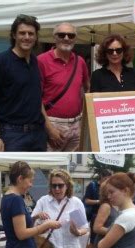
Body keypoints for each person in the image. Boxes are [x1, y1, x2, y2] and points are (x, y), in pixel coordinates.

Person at [0, 14, 47, 151]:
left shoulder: (35, 61)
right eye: (22, 33)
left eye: (31, 33)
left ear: (36, 37)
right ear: (14, 35)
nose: (27, 37)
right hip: (12, 134)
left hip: (38, 133)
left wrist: (48, 127)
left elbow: (36, 97)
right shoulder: (0, 61)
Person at [37, 22, 90, 151]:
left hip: (77, 124)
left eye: (71, 35)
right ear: (54, 37)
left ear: (75, 39)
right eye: (62, 35)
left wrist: (82, 119)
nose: (66, 38)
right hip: (53, 124)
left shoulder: (80, 61)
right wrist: (49, 128)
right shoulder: (41, 60)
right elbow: (35, 97)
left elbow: (87, 87)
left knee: (70, 158)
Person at [1, 161, 61, 248]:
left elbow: (18, 226)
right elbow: (22, 234)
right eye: (30, 181)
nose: (31, 185)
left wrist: (35, 217)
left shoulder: (6, 197)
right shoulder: (16, 199)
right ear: (20, 179)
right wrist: (47, 225)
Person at [32, 169, 89, 248]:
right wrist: (37, 217)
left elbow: (84, 228)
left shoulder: (75, 202)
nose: (57, 189)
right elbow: (31, 223)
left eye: (60, 185)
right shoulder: (43, 201)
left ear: (67, 185)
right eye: (54, 186)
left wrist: (77, 232)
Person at [97, 172, 135, 248]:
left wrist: (101, 243)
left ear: (125, 191)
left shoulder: (127, 216)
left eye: (111, 192)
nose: (108, 196)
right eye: (108, 193)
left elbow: (102, 246)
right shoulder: (132, 211)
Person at [83, 169, 113, 245]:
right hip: (95, 216)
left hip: (108, 216)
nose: (108, 181)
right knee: (94, 240)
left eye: (110, 179)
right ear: (101, 177)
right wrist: (99, 201)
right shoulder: (92, 185)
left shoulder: (110, 187)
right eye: (106, 179)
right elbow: (86, 200)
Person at [93, 180, 119, 248]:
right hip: (102, 244)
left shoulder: (115, 205)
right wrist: (117, 233)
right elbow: (96, 228)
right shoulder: (106, 206)